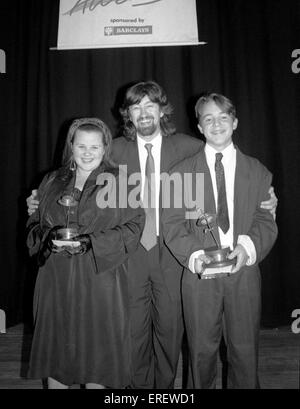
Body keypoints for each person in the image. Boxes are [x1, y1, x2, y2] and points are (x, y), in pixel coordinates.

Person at [26, 82, 278, 389]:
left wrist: (266, 197)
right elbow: (75, 177)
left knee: (170, 333)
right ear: (127, 114)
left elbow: (222, 162)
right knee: (132, 333)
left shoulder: (188, 147)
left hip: (173, 252)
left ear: (162, 110)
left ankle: (165, 389)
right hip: (129, 253)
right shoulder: (113, 149)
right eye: (136, 107)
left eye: (150, 106)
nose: (144, 113)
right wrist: (40, 199)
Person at [162, 93, 278, 388]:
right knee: (200, 352)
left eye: (223, 117)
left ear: (235, 122)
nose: (216, 124)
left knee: (244, 350)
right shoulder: (180, 173)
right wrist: (194, 255)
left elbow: (265, 220)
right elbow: (173, 225)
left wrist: (247, 247)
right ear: (199, 126)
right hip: (199, 274)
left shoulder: (258, 171)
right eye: (208, 118)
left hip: (244, 271)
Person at [26, 117, 145, 389]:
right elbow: (34, 223)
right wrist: (48, 239)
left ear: (105, 148)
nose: (88, 153)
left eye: (94, 146)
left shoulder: (121, 182)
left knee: (98, 357)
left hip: (100, 278)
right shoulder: (52, 180)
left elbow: (135, 226)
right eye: (81, 146)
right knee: (56, 352)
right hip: (56, 278)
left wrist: (93, 242)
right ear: (71, 146)